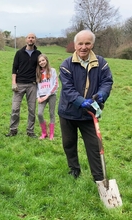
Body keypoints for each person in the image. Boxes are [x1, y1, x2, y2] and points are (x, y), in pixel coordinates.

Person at [58, 30, 113, 181]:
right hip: (68, 112)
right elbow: (68, 89)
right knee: (69, 144)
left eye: (87, 43)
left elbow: (107, 82)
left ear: (92, 44)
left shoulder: (102, 63)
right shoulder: (66, 65)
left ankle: (99, 178)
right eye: (80, 43)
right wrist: (81, 102)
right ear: (75, 45)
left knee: (94, 147)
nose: (83, 47)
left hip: (89, 114)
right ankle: (74, 169)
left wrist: (102, 94)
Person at [5, 33, 41, 137]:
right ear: (26, 39)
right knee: (15, 108)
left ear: (35, 40)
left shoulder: (38, 53)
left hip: (32, 85)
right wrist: (13, 82)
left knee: (32, 110)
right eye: (29, 38)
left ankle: (30, 131)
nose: (31, 39)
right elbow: (14, 68)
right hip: (19, 84)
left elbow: (42, 67)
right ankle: (13, 130)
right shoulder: (19, 53)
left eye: (33, 38)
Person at [36, 54, 59, 140]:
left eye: (43, 60)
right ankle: (44, 133)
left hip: (51, 95)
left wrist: (47, 95)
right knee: (39, 113)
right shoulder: (38, 73)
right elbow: (36, 86)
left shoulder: (52, 71)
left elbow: (56, 84)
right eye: (40, 61)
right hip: (41, 96)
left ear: (46, 60)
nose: (42, 62)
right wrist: (38, 96)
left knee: (51, 113)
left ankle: (51, 134)